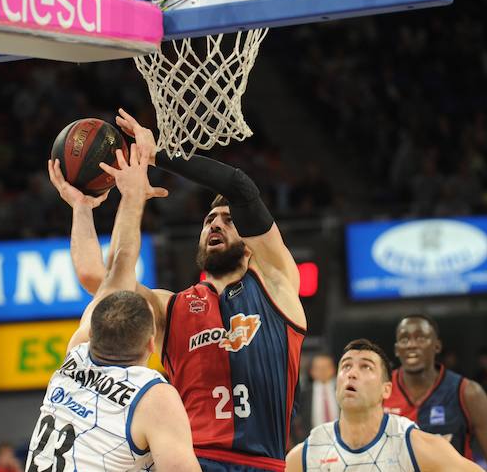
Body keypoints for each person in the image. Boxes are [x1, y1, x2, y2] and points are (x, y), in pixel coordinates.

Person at [62, 109, 307, 472]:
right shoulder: (171, 307)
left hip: (262, 463)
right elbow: (99, 278)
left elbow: (239, 187)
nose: (215, 225)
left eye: (229, 220)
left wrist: (155, 154)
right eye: (209, 220)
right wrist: (82, 208)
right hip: (188, 461)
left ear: (252, 242)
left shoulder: (276, 284)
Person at [35, 144, 200, 472]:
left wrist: (83, 206)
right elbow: (117, 266)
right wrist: (133, 194)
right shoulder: (153, 395)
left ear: (93, 332)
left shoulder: (76, 355)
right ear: (151, 344)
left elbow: (106, 271)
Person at [286, 339, 484, 472]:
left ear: (386, 390)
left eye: (366, 366)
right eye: (346, 366)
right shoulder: (306, 454)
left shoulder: (413, 445)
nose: (352, 373)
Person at [384, 315, 487, 472]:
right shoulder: (379, 392)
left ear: (437, 346)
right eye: (404, 340)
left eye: (420, 338)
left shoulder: (468, 392)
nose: (411, 345)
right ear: (397, 349)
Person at [292, 354, 338, 444]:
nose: (323, 371)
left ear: (333, 369)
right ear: (312, 371)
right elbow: (295, 421)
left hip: (340, 442)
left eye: (326, 367)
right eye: (318, 368)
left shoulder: (343, 391)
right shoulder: (303, 394)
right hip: (312, 442)